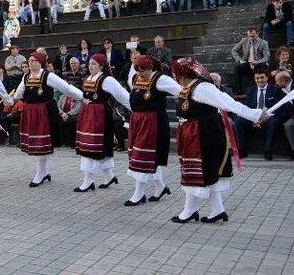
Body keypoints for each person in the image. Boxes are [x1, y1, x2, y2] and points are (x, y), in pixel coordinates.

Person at [170, 57, 267, 223]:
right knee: (206, 171)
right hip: (193, 134)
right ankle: (218, 210)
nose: (176, 78)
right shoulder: (189, 87)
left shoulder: (202, 88)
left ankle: (189, 211)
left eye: (177, 75)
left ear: (184, 74)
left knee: (200, 171)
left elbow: (229, 103)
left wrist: (255, 115)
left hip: (203, 134)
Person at [12, 53, 84, 187]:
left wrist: (82, 96)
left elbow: (66, 88)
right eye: (29, 60)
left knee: (41, 142)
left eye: (33, 61)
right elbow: (19, 92)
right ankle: (43, 172)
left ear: (40, 62)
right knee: (36, 142)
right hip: (30, 111)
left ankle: (40, 173)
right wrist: (10, 100)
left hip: (44, 112)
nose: (31, 63)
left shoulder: (48, 75)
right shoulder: (26, 76)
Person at [125, 55, 182, 207]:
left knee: (142, 157)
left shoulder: (161, 79)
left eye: (143, 70)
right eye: (137, 69)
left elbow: (181, 91)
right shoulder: (135, 77)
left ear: (151, 68)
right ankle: (160, 187)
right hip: (138, 121)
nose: (139, 73)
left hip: (153, 122)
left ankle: (139, 194)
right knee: (147, 157)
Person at [73, 54, 131, 192]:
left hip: (99, 115)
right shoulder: (88, 78)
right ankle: (110, 177)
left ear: (101, 66)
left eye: (94, 64)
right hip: (87, 114)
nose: (90, 66)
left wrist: (137, 108)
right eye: (90, 63)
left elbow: (122, 95)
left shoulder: (107, 79)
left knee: (93, 146)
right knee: (94, 146)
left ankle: (88, 181)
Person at [233, 66, 287, 160]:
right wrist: (254, 118)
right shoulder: (250, 90)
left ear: (267, 78)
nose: (259, 80)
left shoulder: (275, 90)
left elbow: (279, 108)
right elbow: (247, 106)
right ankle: (242, 150)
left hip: (270, 117)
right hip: (254, 116)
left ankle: (268, 151)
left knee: (273, 122)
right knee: (238, 121)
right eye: (257, 78)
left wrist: (264, 118)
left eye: (262, 77)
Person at [231, 27, 270, 94]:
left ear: (257, 34)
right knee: (237, 67)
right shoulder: (244, 41)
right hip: (247, 63)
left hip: (258, 63)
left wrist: (258, 61)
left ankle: (263, 89)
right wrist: (239, 60)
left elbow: (267, 56)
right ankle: (238, 90)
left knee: (263, 66)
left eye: (253, 36)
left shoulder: (263, 43)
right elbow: (234, 50)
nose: (251, 38)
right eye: (249, 36)